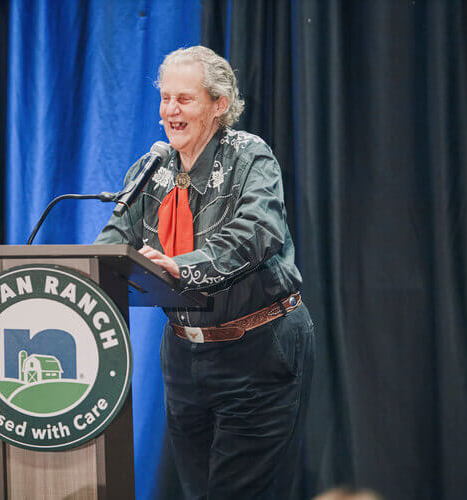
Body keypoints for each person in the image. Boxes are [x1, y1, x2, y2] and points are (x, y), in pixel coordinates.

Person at [96, 45, 314, 499]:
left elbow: (257, 233)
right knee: (197, 492)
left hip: (257, 350)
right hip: (183, 358)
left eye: (184, 100)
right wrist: (83, 270)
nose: (170, 111)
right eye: (165, 99)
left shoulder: (249, 155)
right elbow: (112, 241)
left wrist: (181, 267)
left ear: (219, 105)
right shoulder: (150, 169)